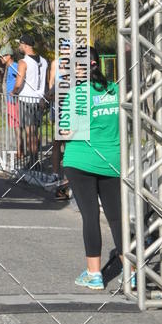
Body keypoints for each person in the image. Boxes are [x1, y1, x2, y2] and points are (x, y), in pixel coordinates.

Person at [61, 47, 122, 291]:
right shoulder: (115, 90)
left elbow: (66, 132)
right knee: (116, 217)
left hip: (80, 161)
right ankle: (133, 271)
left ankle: (94, 273)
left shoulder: (76, 94)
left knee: (90, 216)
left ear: (80, 68)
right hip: (112, 161)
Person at [11, 33, 48, 170]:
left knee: (29, 132)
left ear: (25, 45)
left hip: (26, 99)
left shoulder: (23, 62)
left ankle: (33, 162)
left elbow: (18, 82)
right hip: (39, 99)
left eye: (20, 44)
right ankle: (35, 159)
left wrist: (14, 92)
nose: (19, 46)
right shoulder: (44, 61)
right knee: (36, 131)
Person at [47, 40, 71, 200]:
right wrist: (51, 97)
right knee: (57, 142)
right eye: (63, 47)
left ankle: (69, 177)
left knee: (69, 143)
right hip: (58, 106)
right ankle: (55, 173)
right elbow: (51, 83)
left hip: (71, 108)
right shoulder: (56, 63)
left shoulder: (76, 63)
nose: (65, 50)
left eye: (68, 47)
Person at [0, 44, 20, 158]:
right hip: (11, 100)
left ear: (8, 56)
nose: (1, 59)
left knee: (17, 126)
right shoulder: (9, 67)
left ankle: (20, 150)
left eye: (2, 56)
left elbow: (22, 79)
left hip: (15, 100)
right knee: (15, 125)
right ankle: (19, 148)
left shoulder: (15, 66)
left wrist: (15, 91)